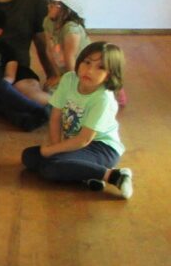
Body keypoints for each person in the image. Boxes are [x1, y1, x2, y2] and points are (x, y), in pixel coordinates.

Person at [22, 42, 132, 198]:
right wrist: (55, 146)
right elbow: (55, 116)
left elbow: (84, 140)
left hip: (102, 148)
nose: (89, 70)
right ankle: (87, 175)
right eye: (87, 62)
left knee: (50, 168)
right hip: (75, 143)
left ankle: (115, 176)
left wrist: (51, 152)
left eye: (100, 67)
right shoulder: (69, 79)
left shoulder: (103, 99)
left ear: (110, 74)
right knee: (29, 156)